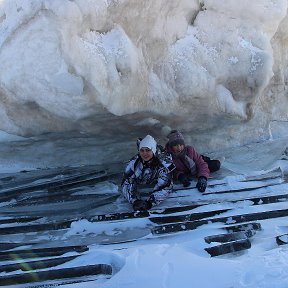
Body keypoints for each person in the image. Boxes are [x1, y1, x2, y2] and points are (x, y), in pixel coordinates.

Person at [121, 135, 175, 211]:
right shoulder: (134, 162)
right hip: (140, 186)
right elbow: (126, 181)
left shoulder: (163, 164)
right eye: (142, 150)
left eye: (148, 150)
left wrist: (150, 202)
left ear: (153, 150)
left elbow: (166, 186)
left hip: (154, 188)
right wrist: (134, 200)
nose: (144, 153)